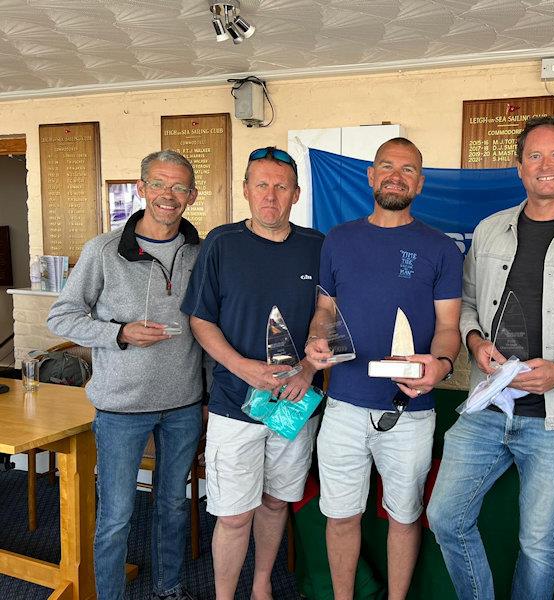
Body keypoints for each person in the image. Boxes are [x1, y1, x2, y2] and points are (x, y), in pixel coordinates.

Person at [426, 115, 554, 600]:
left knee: (538, 544)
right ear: (518, 167)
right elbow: (468, 305)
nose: (546, 165)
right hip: (487, 406)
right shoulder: (490, 230)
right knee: (444, 517)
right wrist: (475, 343)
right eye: (534, 155)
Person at [305, 137, 463, 600]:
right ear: (371, 176)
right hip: (343, 406)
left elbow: (449, 327)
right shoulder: (339, 238)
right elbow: (324, 309)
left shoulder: (441, 249)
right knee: (340, 515)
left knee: (404, 515)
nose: (397, 175)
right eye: (387, 166)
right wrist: (318, 334)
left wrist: (442, 364)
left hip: (409, 409)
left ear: (420, 182)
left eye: (408, 168)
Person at [48, 150, 203, 600]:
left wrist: (210, 396)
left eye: (178, 187)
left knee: (173, 506)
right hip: (121, 408)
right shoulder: (103, 250)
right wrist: (119, 333)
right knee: (116, 514)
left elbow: (209, 325)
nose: (167, 196)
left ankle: (169, 588)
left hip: (184, 404)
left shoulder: (202, 251)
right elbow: (62, 318)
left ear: (191, 196)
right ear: (141, 189)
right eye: (158, 184)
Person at [180, 146, 323, 600]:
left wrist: (305, 369)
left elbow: (331, 316)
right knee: (234, 513)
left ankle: (262, 585)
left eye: (281, 186)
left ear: (296, 194)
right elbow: (200, 319)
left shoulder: (317, 248)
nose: (270, 196)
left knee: (276, 502)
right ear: (245, 190)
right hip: (232, 404)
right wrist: (242, 367)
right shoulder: (221, 243)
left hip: (294, 405)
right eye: (261, 185)